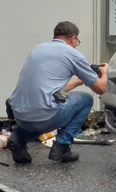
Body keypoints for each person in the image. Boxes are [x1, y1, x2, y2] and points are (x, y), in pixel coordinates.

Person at [7, 21, 108, 163]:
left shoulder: (37, 49)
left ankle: (19, 137)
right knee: (86, 99)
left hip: (20, 115)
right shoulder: (73, 54)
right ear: (73, 39)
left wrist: (80, 81)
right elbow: (101, 89)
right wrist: (105, 73)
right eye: (76, 41)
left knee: (40, 110)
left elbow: (49, 89)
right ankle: (62, 147)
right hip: (44, 115)